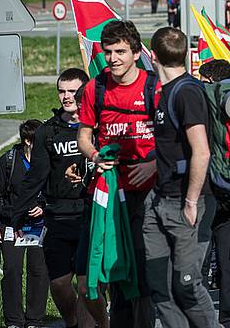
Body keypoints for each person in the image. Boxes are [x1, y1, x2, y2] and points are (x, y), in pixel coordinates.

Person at [77, 20, 158, 328]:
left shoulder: (154, 87)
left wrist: (153, 165)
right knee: (113, 264)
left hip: (148, 191)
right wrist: (96, 156)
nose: (113, 59)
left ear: (136, 53)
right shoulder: (94, 88)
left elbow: (173, 141)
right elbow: (85, 135)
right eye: (108, 52)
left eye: (121, 52)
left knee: (140, 263)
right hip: (111, 189)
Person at [143, 27, 217, 327]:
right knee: (159, 287)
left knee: (186, 286)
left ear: (151, 55)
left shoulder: (186, 91)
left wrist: (190, 201)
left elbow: (201, 152)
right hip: (158, 201)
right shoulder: (166, 92)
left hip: (183, 204)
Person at [11, 68, 93, 328]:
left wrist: (88, 176)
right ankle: (73, 323)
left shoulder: (96, 126)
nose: (67, 96)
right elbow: (34, 177)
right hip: (56, 216)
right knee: (59, 285)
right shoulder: (47, 132)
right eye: (62, 91)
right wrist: (15, 217)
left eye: (73, 91)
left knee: (85, 285)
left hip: (88, 213)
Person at [198, 59, 230, 328]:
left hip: (204, 189)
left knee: (200, 261)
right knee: (228, 261)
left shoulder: (204, 100)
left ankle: (201, 318)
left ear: (210, 79)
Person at [0, 120, 50, 328]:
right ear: (28, 141)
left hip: (39, 225)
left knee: (39, 270)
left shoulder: (48, 161)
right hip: (11, 223)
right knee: (12, 269)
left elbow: (55, 189)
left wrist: (43, 207)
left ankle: (35, 320)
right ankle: (13, 320)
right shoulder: (8, 161)